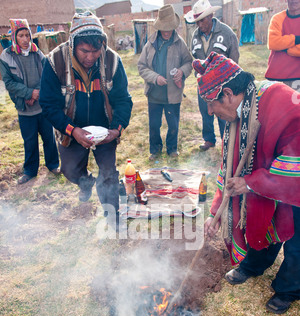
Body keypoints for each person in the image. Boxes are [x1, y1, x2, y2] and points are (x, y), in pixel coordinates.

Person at [193, 52, 300, 315]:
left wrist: (250, 183)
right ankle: (254, 264)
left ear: (227, 94)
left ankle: (289, 287)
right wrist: (215, 212)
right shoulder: (238, 114)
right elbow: (228, 171)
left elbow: (294, 163)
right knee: (264, 215)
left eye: (210, 103)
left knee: (298, 239)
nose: (209, 111)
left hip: (295, 183)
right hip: (269, 184)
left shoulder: (283, 103)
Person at [39, 12, 132, 229]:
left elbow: (123, 100)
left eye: (95, 50)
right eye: (84, 51)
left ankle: (113, 219)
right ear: (73, 45)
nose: (90, 57)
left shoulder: (112, 61)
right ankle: (86, 182)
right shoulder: (55, 62)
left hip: (105, 130)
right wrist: (73, 130)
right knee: (70, 171)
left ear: (102, 45)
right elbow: (49, 105)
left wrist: (116, 129)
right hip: (71, 129)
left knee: (108, 173)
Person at [0, 19, 60, 184]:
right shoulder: (6, 56)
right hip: (24, 107)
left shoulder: (37, 53)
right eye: (21, 35)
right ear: (14, 37)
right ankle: (30, 171)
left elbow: (47, 75)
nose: (26, 39)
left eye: (27, 35)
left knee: (49, 138)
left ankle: (53, 165)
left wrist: (37, 94)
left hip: (42, 105)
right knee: (30, 140)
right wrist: (28, 93)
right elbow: (9, 83)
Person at [137, 4, 192, 161]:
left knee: (173, 125)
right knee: (154, 125)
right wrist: (155, 77)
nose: (167, 32)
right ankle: (155, 150)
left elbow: (189, 62)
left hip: (173, 93)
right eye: (164, 28)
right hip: (154, 94)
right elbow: (141, 67)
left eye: (170, 28)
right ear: (159, 27)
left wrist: (182, 71)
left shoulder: (180, 43)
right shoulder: (150, 43)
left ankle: (172, 148)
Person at [185, 0, 239, 151]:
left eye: (202, 20)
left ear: (210, 16)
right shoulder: (195, 36)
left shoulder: (226, 33)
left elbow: (234, 58)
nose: (199, 24)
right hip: (204, 85)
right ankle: (209, 139)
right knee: (205, 112)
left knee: (223, 113)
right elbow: (194, 57)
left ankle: (226, 140)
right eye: (197, 21)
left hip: (222, 85)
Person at [265, 0, 300, 89]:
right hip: (276, 76)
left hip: (297, 77)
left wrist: (289, 49)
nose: (294, 1)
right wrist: (296, 39)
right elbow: (272, 42)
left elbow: (278, 43)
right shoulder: (277, 18)